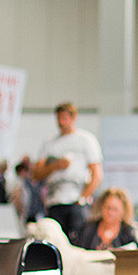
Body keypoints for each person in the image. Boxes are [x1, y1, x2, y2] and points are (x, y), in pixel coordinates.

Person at [33, 102, 103, 239]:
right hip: (55, 202)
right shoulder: (49, 143)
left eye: (64, 119)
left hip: (76, 201)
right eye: (59, 119)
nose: (61, 123)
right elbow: (37, 173)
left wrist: (82, 198)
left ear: (73, 118)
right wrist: (56, 165)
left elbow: (97, 174)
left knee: (79, 240)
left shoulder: (86, 140)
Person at [71, 187, 138, 250]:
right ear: (102, 207)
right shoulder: (89, 228)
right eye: (108, 208)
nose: (110, 212)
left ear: (123, 211)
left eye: (115, 209)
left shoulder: (129, 231)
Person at [11, 157, 44, 226]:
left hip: (36, 212)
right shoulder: (21, 182)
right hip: (27, 213)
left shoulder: (36, 182)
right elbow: (17, 197)